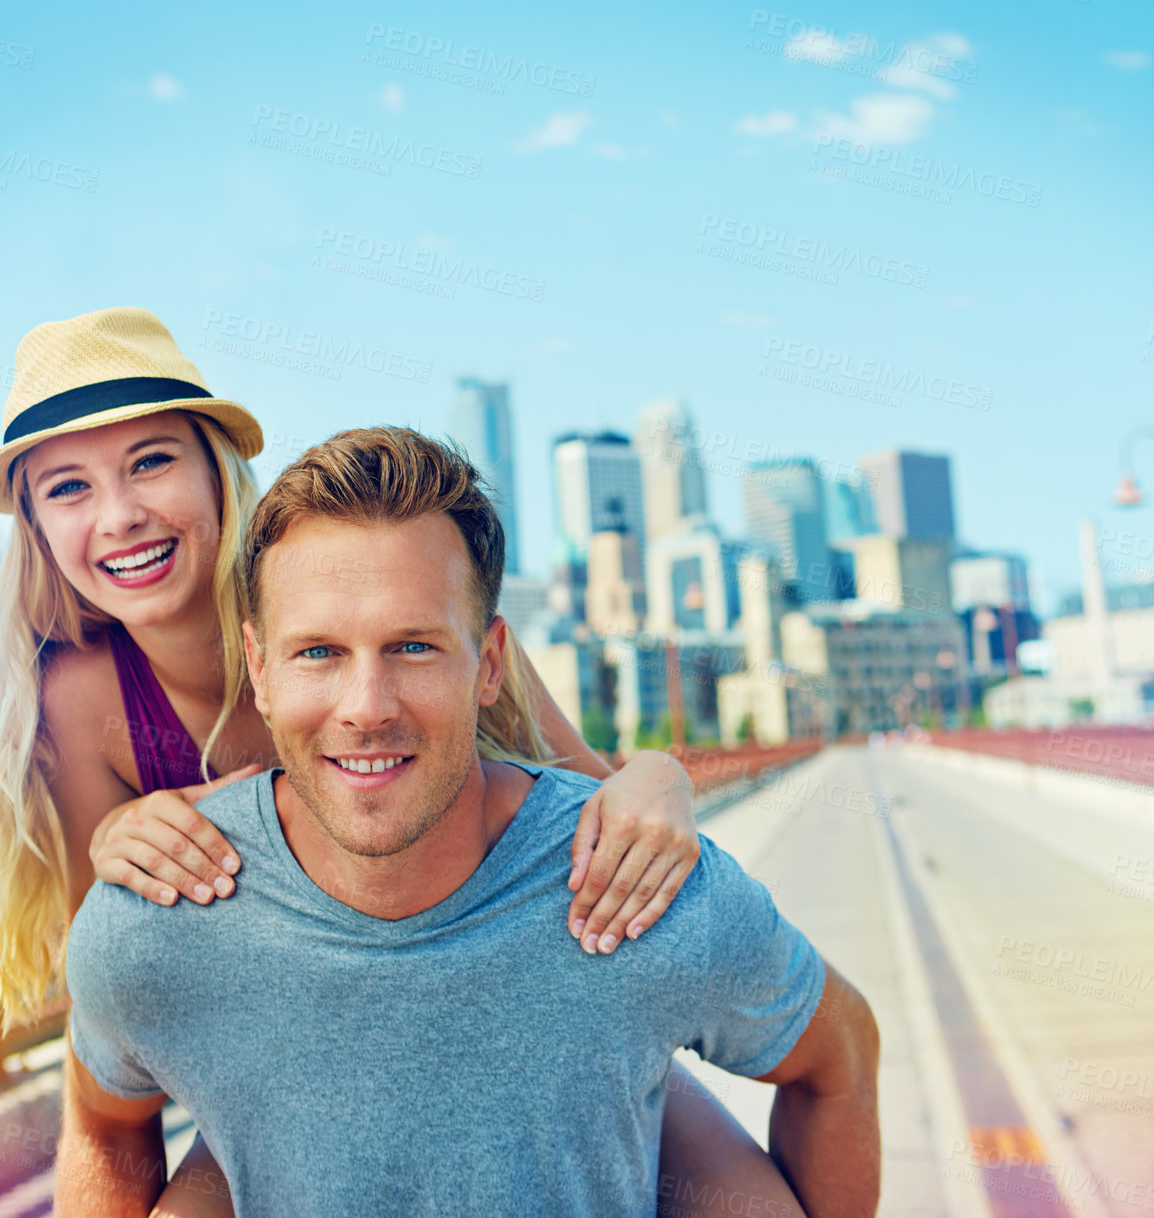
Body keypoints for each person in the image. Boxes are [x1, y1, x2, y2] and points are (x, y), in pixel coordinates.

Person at [58, 426, 881, 1217]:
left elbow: (840, 1055)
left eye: (413, 648)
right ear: (261, 670)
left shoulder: (637, 887)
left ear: (490, 666)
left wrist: (660, 779)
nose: (366, 708)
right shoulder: (146, 903)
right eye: (319, 653)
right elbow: (101, 1121)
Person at [0, 308, 711, 1216]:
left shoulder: (389, 594)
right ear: (34, 524)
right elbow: (119, 1013)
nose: (121, 514)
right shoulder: (80, 702)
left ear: (217, 469)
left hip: (523, 1016)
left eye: (151, 461)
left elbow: (595, 799)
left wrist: (661, 776)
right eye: (67, 488)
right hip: (283, 1075)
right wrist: (121, 848)